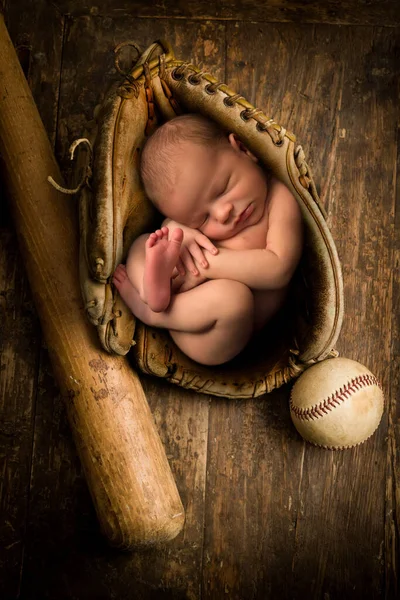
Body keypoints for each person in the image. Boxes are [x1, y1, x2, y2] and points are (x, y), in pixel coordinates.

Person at [112, 114, 303, 366]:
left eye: (223, 188)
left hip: (213, 333)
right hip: (176, 281)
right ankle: (150, 290)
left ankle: (152, 313)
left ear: (243, 149)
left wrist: (205, 266)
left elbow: (279, 268)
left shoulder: (279, 198)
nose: (223, 213)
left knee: (234, 299)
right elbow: (174, 232)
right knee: (144, 243)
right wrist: (177, 228)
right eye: (202, 219)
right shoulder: (192, 224)